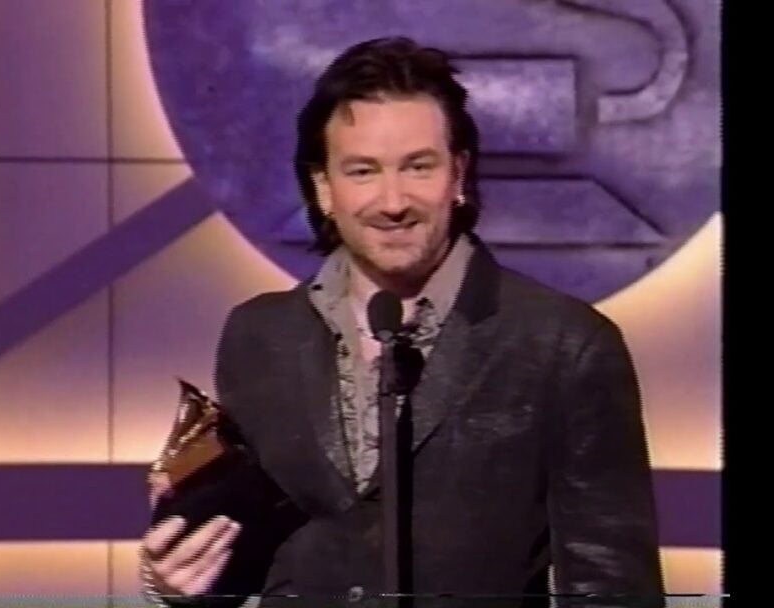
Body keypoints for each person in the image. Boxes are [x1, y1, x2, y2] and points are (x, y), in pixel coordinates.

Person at [139, 36, 665, 608]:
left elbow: (614, 591)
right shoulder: (257, 337)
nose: (393, 201)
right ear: (323, 188)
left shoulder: (564, 346)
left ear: (458, 174)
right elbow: (244, 565)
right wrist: (177, 579)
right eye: (362, 171)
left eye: (418, 167)